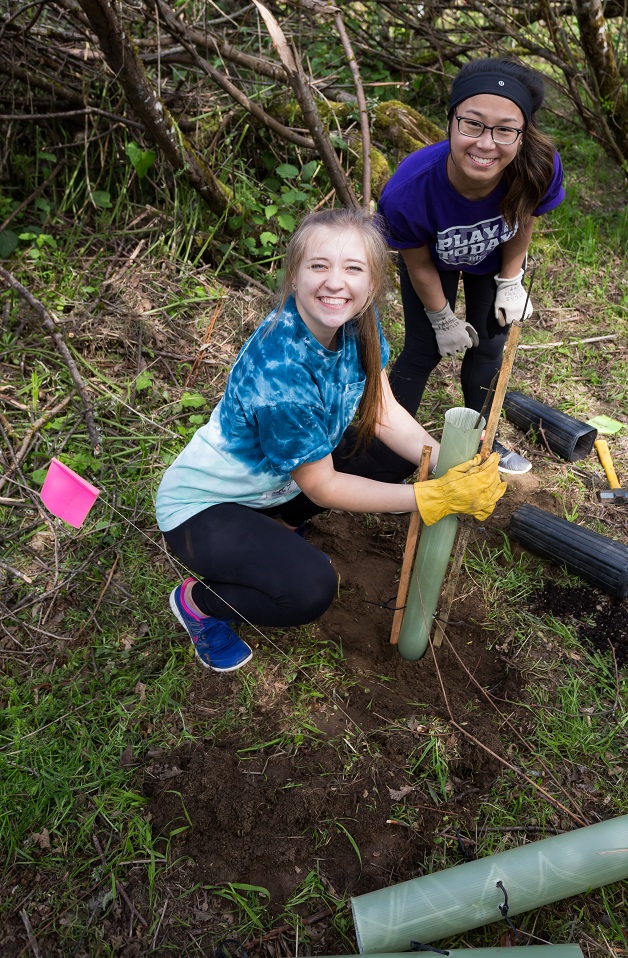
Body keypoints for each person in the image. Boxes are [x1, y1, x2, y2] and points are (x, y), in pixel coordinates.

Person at [155, 208, 506, 673]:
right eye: (319, 265)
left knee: (389, 454)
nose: (335, 283)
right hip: (207, 507)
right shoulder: (280, 371)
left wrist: (445, 464)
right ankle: (199, 602)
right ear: (294, 275)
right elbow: (323, 485)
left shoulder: (356, 322)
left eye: (353, 269)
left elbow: (380, 408)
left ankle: (278, 527)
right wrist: (429, 498)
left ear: (373, 282)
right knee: (309, 589)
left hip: (276, 486)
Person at [377, 57, 565, 475]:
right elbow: (419, 260)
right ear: (451, 121)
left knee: (489, 346)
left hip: (491, 260)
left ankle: (483, 437)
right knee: (422, 349)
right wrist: (442, 318)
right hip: (432, 262)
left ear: (523, 134)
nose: (486, 143)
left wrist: (511, 281)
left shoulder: (538, 167)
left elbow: (521, 219)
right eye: (473, 124)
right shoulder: (408, 191)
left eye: (505, 130)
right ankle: (386, 443)